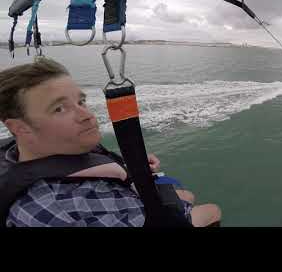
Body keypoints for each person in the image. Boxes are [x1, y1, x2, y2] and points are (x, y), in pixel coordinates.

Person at [0, 57, 221, 227]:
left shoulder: (57, 145)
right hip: (147, 215)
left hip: (128, 196)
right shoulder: (49, 210)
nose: (86, 115)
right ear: (19, 128)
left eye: (81, 101)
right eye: (59, 108)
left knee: (187, 196)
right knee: (212, 211)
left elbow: (84, 164)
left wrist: (131, 165)